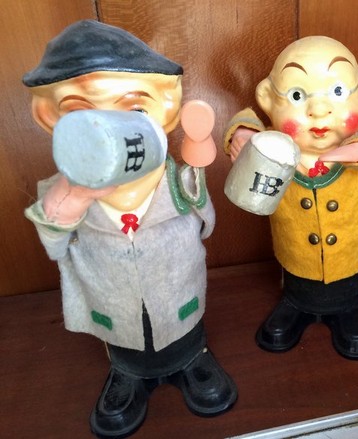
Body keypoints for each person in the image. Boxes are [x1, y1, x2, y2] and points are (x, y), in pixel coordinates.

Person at [23, 20, 236, 438]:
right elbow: (54, 244)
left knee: (183, 325)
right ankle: (126, 371)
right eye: (80, 112)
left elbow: (204, 219)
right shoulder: (63, 193)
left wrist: (198, 145)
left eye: (134, 111)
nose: (110, 134)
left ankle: (192, 358)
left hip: (176, 287)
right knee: (122, 332)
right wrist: (72, 201)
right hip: (110, 292)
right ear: (49, 118)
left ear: (166, 110)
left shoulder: (172, 180)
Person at [223, 36, 358, 360]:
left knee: (347, 290)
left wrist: (355, 150)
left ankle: (349, 307)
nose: (318, 110)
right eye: (297, 95)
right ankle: (296, 304)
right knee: (297, 284)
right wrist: (243, 133)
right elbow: (245, 124)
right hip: (295, 259)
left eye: (338, 91)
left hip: (350, 259)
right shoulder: (276, 152)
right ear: (268, 99)